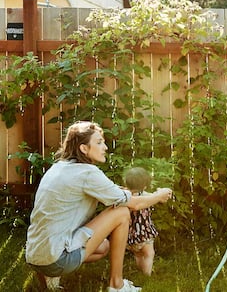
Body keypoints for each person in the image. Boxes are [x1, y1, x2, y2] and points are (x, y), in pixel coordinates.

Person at [25, 121, 172, 292]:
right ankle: (117, 285)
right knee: (122, 212)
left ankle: (49, 275)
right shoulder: (88, 173)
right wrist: (158, 196)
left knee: (103, 247)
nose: (105, 147)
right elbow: (135, 204)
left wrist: (138, 194)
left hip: (35, 255)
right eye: (99, 142)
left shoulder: (59, 168)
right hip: (57, 259)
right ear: (84, 149)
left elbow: (110, 190)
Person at [124, 167, 159, 276]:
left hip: (130, 235)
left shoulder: (124, 196)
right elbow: (155, 198)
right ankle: (146, 274)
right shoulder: (144, 196)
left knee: (138, 254)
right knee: (149, 253)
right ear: (144, 186)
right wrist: (159, 193)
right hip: (144, 233)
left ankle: (141, 270)